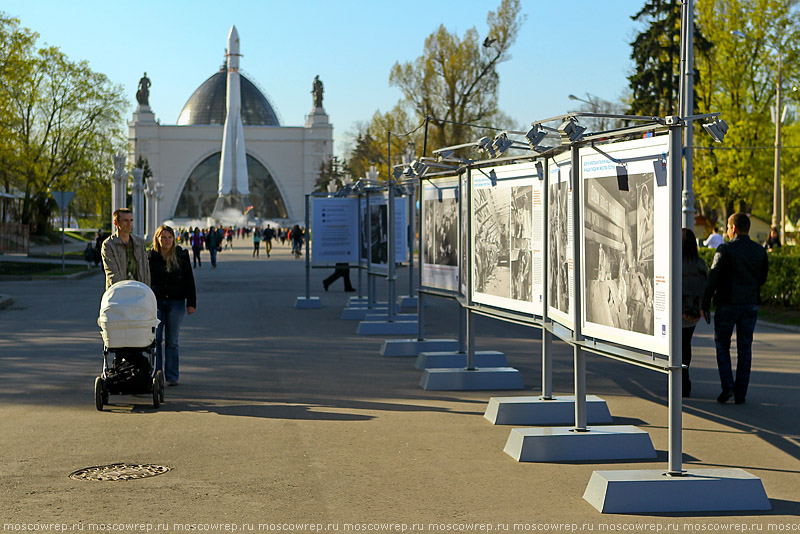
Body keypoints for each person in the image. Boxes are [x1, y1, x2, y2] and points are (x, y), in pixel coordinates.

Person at [702, 213, 769, 404]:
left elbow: (713, 277)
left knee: (722, 345)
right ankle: (741, 393)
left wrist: (705, 303)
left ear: (733, 228)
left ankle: (727, 386)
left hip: (727, 303)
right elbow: (762, 279)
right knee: (745, 348)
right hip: (750, 304)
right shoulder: (759, 251)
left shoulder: (725, 249)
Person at [148, 225, 196, 386]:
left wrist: (191, 303)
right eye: (163, 237)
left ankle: (172, 375)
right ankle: (157, 373)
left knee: (172, 340)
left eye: (169, 237)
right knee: (156, 339)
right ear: (157, 239)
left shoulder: (181, 255)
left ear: (173, 239)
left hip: (176, 302)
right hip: (156, 302)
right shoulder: (151, 256)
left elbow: (189, 279)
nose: (166, 240)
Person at [681, 228, 708, 398]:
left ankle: (681, 381)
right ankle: (685, 381)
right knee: (686, 345)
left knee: (677, 347)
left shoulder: (675, 262)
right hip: (693, 315)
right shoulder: (701, 264)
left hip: (678, 313)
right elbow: (704, 288)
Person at [101, 208, 150, 291]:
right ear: (116, 223)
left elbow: (145, 270)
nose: (129, 224)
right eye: (125, 221)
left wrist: (147, 290)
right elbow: (111, 272)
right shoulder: (109, 245)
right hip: (119, 292)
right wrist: (122, 291)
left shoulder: (139, 243)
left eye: (131, 220)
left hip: (139, 291)